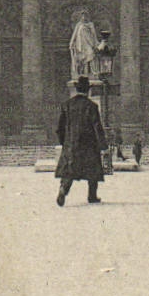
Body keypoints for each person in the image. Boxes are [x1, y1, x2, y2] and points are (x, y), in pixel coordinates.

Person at [55, 76, 107, 206]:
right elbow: (97, 126)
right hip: (89, 144)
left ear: (76, 89)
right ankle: (92, 195)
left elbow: (60, 127)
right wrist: (103, 145)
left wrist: (64, 142)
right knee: (92, 170)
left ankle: (63, 189)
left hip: (71, 143)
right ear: (88, 90)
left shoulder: (66, 105)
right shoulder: (92, 106)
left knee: (69, 170)